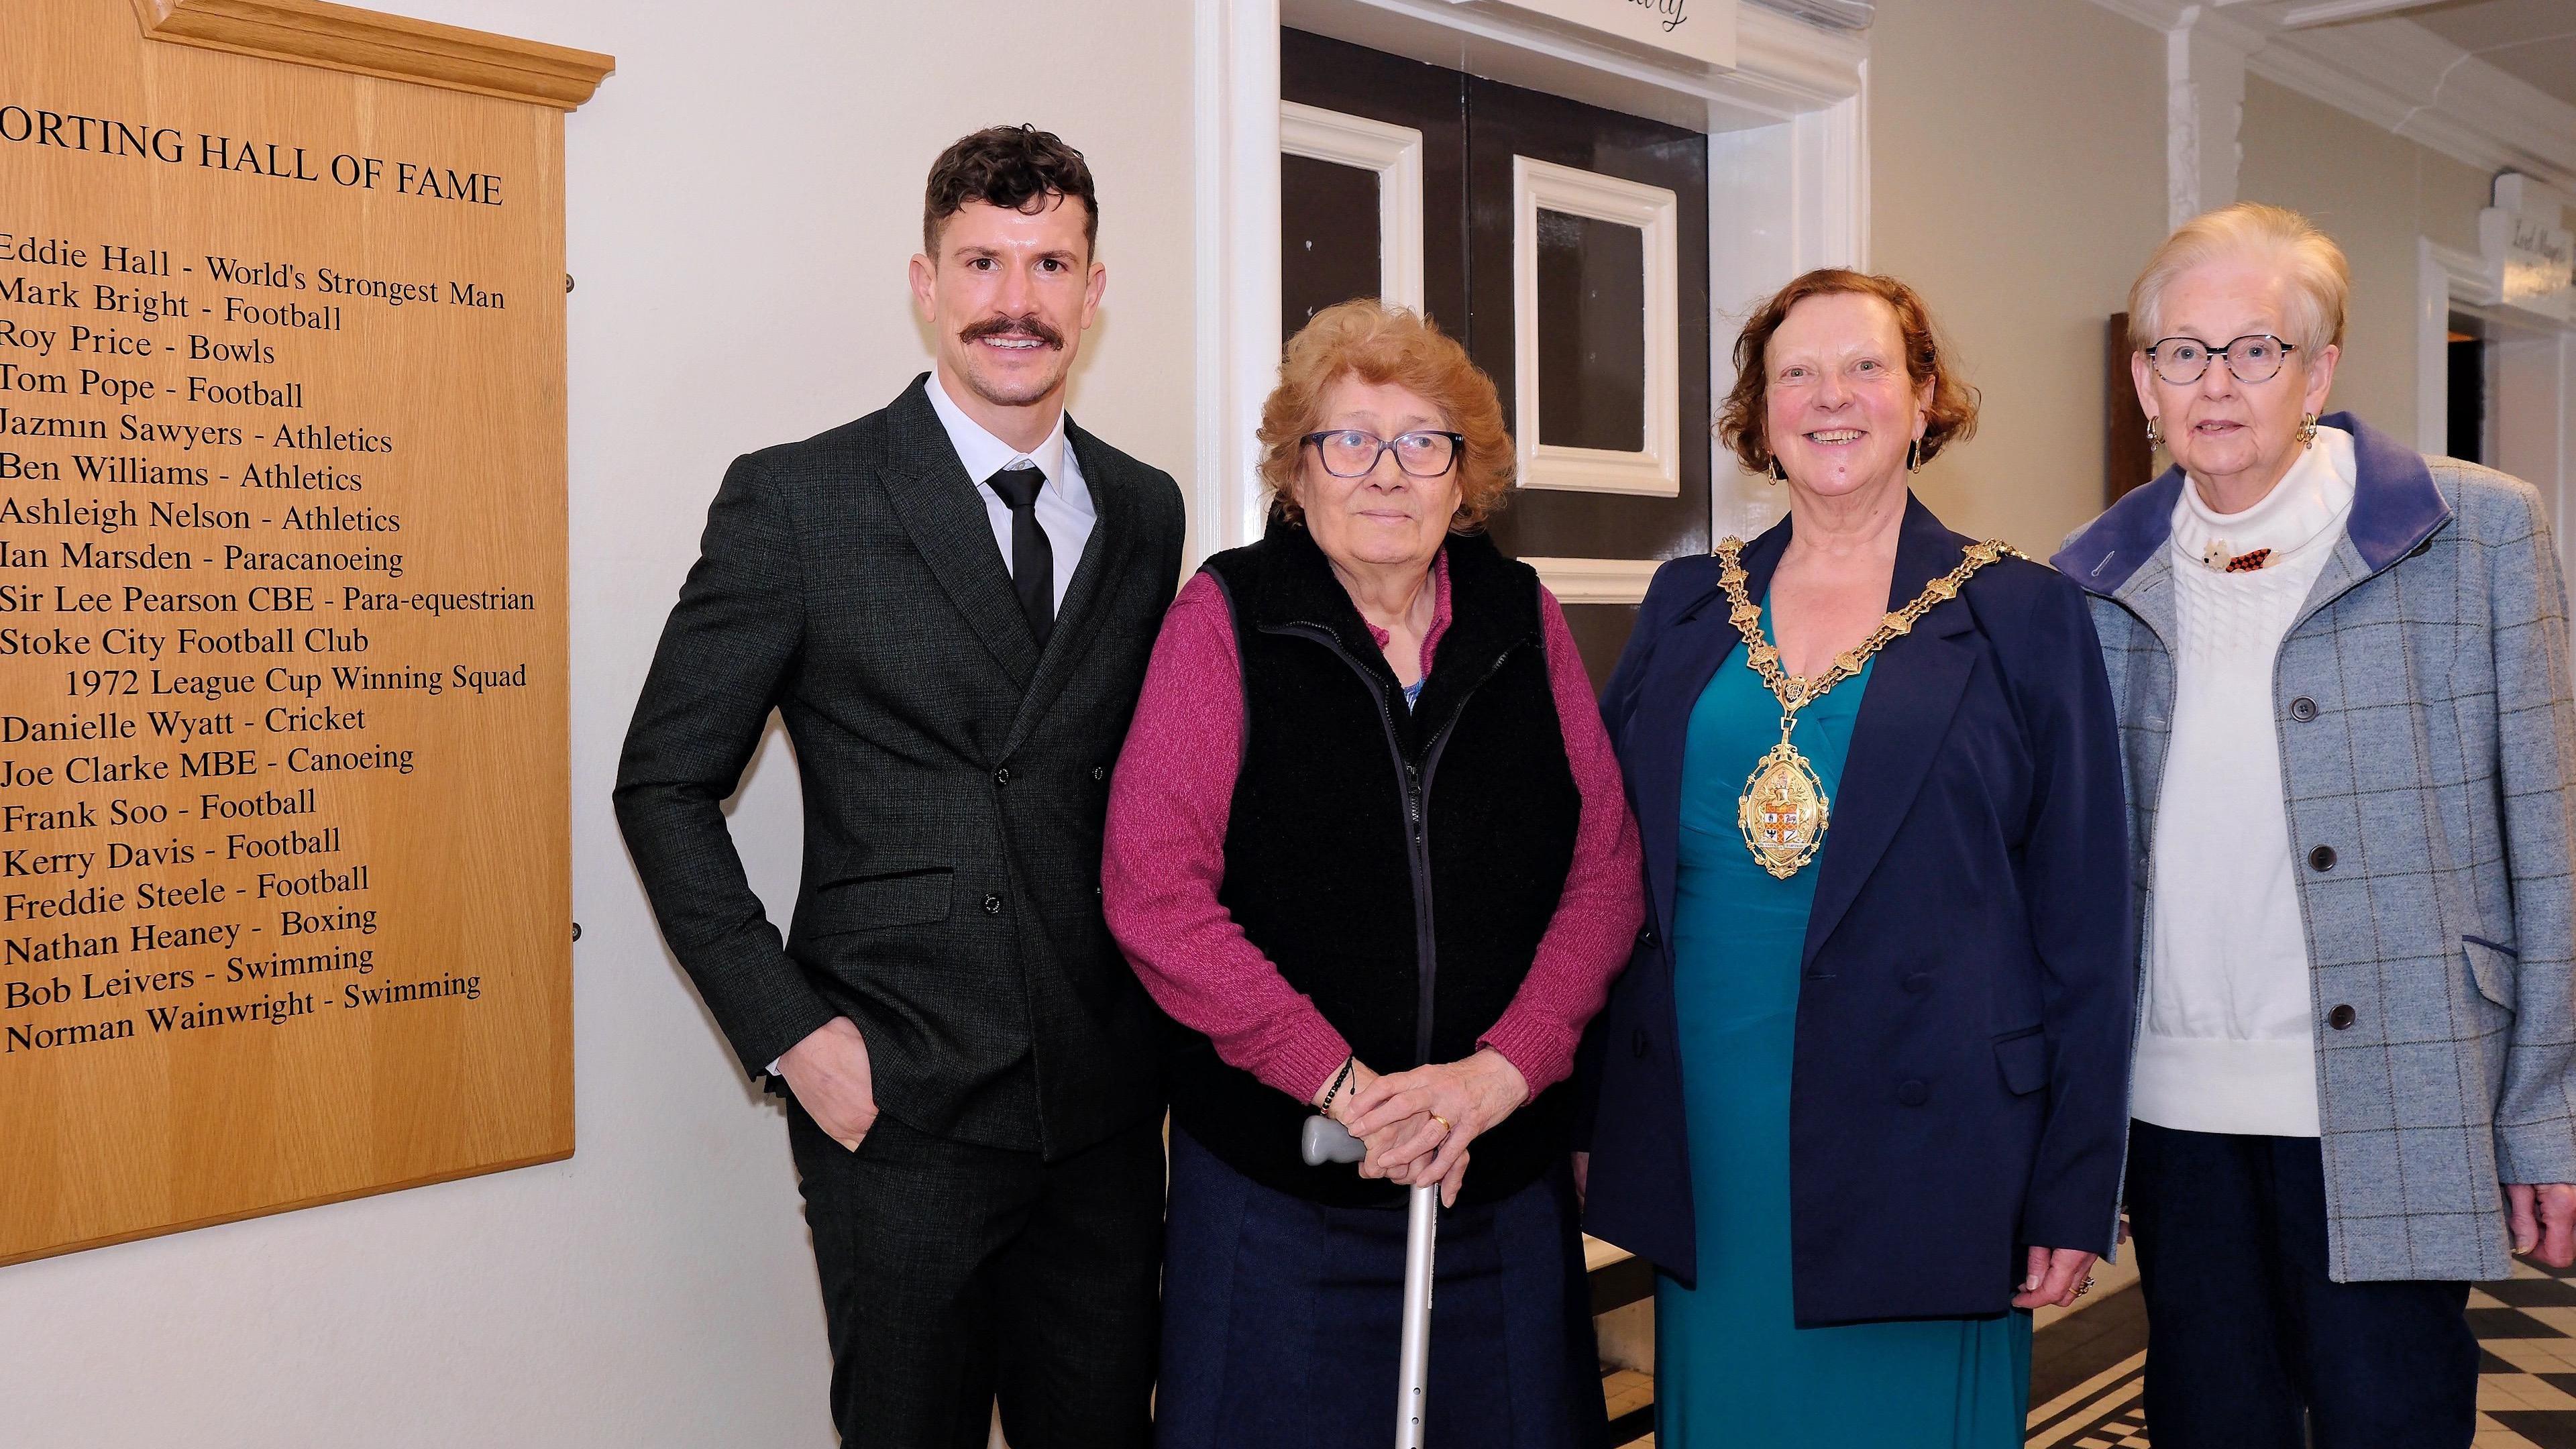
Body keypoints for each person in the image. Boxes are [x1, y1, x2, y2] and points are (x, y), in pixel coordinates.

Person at [613, 125, 1185, 1448]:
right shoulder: (799, 501)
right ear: (926, 282)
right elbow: (664, 785)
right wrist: (793, 1038)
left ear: (1095, 293)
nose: (1016, 300)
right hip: (900, 1102)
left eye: (1051, 264)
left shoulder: (1147, 511)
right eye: (983, 261)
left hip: (1104, 1108)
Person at [1579, 269, 2135, 1446]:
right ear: (1761, 411)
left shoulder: (2025, 612)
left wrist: (2076, 1183)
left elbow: (2087, 920)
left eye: (1867, 367)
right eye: (1798, 373)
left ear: (1925, 398)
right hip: (1710, 1121)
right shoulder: (1686, 603)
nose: (1832, 398)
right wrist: (1586, 1112)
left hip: (1940, 1139)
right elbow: (1604, 871)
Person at [2053, 201, 2576, 1449]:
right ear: (2143, 378)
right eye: (2183, 351)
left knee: (2386, 1414)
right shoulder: (2087, 578)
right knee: (2208, 1418)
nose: (2217, 383)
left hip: (2398, 1082)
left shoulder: (2477, 530)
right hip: (2174, 1101)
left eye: (2257, 350)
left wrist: (2547, 1112)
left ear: (2320, 371)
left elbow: (2549, 837)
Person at [1102, 299, 1644, 1449]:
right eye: (1348, 440)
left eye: (1422, 441)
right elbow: (1153, 894)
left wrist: (1499, 1077)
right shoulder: (1228, 618)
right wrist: (1350, 1092)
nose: (1386, 472)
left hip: (1499, 1184)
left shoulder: (1521, 617)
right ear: (1298, 475)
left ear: (1464, 477)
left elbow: (1604, 871)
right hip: (1281, 1195)